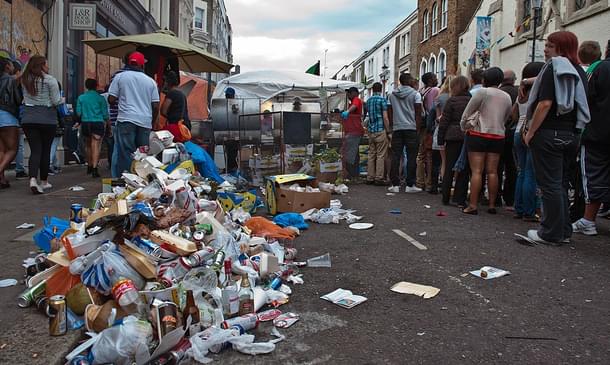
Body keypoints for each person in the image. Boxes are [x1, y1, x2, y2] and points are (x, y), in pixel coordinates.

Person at [522, 31, 590, 245]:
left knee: (549, 184)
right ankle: (563, 230)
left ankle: (549, 232)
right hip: (571, 134)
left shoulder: (555, 67)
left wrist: (531, 132)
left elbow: (545, 103)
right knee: (560, 183)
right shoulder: (579, 70)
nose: (545, 49)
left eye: (550, 46)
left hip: (549, 132)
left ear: (560, 49)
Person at [460, 67, 512, 215]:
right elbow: (507, 116)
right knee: (493, 171)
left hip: (478, 133)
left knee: (477, 171)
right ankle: (492, 205)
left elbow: (467, 113)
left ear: (485, 79)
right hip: (498, 135)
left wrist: (463, 126)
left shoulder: (483, 92)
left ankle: (473, 205)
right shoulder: (506, 96)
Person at [571, 40, 610, 236]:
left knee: (593, 175)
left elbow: (584, 98)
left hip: (597, 133)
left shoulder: (600, 68)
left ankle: (588, 220)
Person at [108, 52, 160, 178]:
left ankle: (126, 182)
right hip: (144, 122)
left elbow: (111, 99)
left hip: (126, 119)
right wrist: (152, 122)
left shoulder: (120, 77)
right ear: (142, 66)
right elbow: (156, 105)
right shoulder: (150, 81)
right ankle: (141, 181)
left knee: (126, 152)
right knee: (142, 154)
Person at [18, 55, 61, 194]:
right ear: (41, 65)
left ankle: (32, 179)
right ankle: (44, 181)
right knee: (45, 150)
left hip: (28, 118)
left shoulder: (24, 79)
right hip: (47, 119)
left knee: (35, 150)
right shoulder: (50, 80)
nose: (48, 67)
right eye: (46, 64)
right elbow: (56, 101)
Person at [513, 62, 545, 222]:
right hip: (532, 132)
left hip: (519, 130)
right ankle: (529, 211)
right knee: (531, 174)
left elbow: (514, 114)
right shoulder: (539, 90)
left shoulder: (522, 92)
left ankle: (519, 208)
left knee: (522, 172)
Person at [438, 76, 471, 206]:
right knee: (464, 168)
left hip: (451, 136)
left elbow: (444, 121)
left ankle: (445, 196)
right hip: (467, 136)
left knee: (449, 167)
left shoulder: (452, 101)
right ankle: (460, 198)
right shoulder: (471, 100)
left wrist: (441, 139)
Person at [387, 73, 423, 193]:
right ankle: (410, 185)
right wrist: (417, 128)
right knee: (412, 156)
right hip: (411, 128)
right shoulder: (415, 94)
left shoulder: (392, 95)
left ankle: (395, 185)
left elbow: (389, 111)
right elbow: (418, 112)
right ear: (409, 81)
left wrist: (392, 125)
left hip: (397, 128)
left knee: (396, 156)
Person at [76, 78, 109, 177]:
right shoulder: (100, 98)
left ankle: (89, 165)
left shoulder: (81, 98)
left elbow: (78, 112)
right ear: (96, 86)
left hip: (86, 123)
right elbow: (105, 115)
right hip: (97, 122)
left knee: (88, 145)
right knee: (96, 145)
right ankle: (95, 168)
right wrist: (108, 125)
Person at [497, 69, 519, 208]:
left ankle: (495, 195)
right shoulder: (518, 92)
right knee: (512, 167)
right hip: (513, 132)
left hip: (498, 132)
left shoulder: (497, 93)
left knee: (496, 166)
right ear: (514, 79)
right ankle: (510, 197)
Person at [0, 56, 23, 189]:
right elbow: (18, 99)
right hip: (7, 115)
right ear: (7, 67)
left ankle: (2, 179)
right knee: (12, 149)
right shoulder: (10, 80)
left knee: (2, 150)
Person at [430, 75, 454, 194]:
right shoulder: (455, 97)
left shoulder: (439, 98)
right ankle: (447, 186)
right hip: (453, 131)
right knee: (449, 161)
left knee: (438, 160)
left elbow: (437, 117)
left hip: (440, 129)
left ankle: (434, 185)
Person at [416, 72, 440, 191]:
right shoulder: (435, 90)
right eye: (435, 77)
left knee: (421, 155)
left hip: (422, 125)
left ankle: (420, 181)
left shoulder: (421, 91)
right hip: (430, 126)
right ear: (430, 80)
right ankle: (429, 182)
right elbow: (433, 109)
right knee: (429, 154)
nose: (437, 79)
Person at [364, 82, 390, 185]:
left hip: (371, 130)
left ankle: (370, 177)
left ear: (373, 89)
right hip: (380, 130)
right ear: (381, 89)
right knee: (380, 155)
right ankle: (379, 178)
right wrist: (388, 130)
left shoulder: (368, 101)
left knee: (371, 154)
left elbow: (367, 116)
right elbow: (385, 117)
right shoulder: (382, 100)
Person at [340, 87, 364, 181]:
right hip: (354, 131)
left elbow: (354, 105)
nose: (348, 97)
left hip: (354, 131)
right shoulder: (353, 101)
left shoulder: (356, 100)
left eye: (349, 95)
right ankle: (355, 175)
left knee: (349, 154)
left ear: (353, 93)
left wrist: (347, 112)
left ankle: (351, 175)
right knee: (354, 154)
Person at [160, 71, 191, 142]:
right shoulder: (182, 94)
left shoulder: (172, 93)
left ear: (167, 82)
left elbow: (163, 111)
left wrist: (168, 116)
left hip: (176, 127)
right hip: (185, 127)